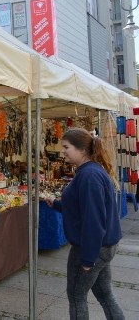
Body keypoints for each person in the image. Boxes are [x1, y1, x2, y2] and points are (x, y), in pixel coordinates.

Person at [47, 128, 124, 319]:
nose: (63, 151)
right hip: (102, 246)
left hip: (92, 248)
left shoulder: (89, 175)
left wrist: (88, 258)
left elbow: (93, 219)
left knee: (76, 295)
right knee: (105, 295)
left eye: (66, 147)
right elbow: (82, 208)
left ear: (82, 149)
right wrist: (57, 204)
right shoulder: (90, 171)